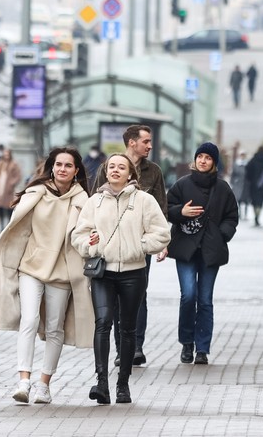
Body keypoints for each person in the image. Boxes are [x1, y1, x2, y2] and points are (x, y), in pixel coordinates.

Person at [0, 147, 93, 405]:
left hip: (62, 271)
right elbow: (19, 229)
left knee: (55, 328)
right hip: (31, 267)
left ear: (76, 170)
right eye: (58, 164)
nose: (63, 169)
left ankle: (43, 385)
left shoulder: (83, 201)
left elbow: (86, 234)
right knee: (30, 319)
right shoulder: (36, 194)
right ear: (52, 167)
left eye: (68, 165)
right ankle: (23, 380)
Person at [72, 154, 170, 405]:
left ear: (130, 174)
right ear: (105, 172)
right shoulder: (94, 202)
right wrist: (90, 245)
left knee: (127, 328)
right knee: (103, 323)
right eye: (111, 166)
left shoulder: (144, 201)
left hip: (133, 272)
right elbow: (79, 236)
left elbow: (161, 233)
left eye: (121, 167)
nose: (115, 170)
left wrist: (139, 246)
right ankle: (102, 382)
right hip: (103, 273)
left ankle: (123, 384)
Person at [93, 124, 167, 367]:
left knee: (138, 296)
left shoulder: (153, 171)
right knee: (113, 299)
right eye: (146, 141)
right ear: (131, 142)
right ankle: (119, 349)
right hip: (109, 246)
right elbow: (93, 204)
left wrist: (158, 244)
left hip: (138, 246)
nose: (150, 145)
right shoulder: (109, 167)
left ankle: (135, 346)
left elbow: (160, 209)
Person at [166, 142, 239, 365]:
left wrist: (221, 235)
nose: (203, 161)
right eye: (200, 157)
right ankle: (187, 342)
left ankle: (202, 348)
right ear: (195, 160)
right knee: (188, 296)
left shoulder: (223, 188)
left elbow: (232, 216)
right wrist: (182, 211)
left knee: (205, 300)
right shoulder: (182, 185)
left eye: (208, 158)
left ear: (214, 163)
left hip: (210, 250)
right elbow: (167, 210)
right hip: (186, 249)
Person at [0, 149, 22, 230]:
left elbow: (18, 176)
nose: (6, 156)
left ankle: (9, 227)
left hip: (9, 190)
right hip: (0, 188)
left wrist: (11, 183)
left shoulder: (13, 164)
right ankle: (2, 227)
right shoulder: (0, 164)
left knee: (9, 209)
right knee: (1, 209)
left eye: (7, 154)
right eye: (5, 154)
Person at [245, 146, 263, 226]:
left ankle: (256, 215)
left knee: (254, 201)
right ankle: (258, 216)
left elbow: (247, 169)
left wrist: (249, 179)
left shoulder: (253, 159)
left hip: (253, 184)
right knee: (260, 201)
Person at [230, 150, 249, 220]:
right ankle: (240, 213)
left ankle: (246, 214)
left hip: (245, 185)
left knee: (246, 200)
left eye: (243, 155)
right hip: (237, 184)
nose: (242, 156)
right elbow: (233, 174)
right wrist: (232, 182)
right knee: (238, 200)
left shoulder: (247, 164)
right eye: (241, 155)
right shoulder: (236, 164)